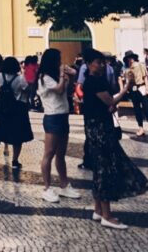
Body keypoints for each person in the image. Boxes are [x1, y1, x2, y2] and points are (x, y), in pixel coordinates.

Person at [82, 48, 148, 230]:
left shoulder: (92, 81)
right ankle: (107, 215)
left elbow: (100, 104)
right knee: (105, 168)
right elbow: (110, 101)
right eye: (98, 62)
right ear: (89, 64)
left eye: (102, 62)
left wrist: (108, 107)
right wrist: (126, 87)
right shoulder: (94, 82)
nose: (101, 65)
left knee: (100, 168)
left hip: (95, 127)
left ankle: (98, 210)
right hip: (100, 130)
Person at [37, 48, 81, 203]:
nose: (60, 62)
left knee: (61, 154)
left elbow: (67, 91)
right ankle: (47, 188)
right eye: (58, 59)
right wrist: (63, 75)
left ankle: (64, 184)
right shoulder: (44, 78)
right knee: (49, 153)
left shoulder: (55, 76)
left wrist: (69, 76)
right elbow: (59, 89)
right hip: (52, 117)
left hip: (63, 115)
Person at [0, 56, 33, 169]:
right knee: (18, 136)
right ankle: (15, 161)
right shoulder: (20, 79)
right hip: (17, 109)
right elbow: (27, 89)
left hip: (2, 108)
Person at [124, 52, 148, 136]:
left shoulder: (140, 65)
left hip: (142, 88)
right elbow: (127, 81)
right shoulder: (127, 70)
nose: (130, 59)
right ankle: (141, 128)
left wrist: (147, 87)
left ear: (134, 57)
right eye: (128, 58)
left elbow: (145, 77)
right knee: (137, 110)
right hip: (133, 90)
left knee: (147, 109)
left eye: (131, 57)